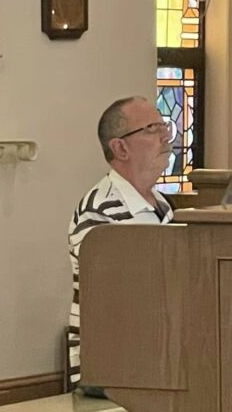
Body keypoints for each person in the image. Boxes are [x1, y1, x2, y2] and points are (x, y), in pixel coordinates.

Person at [67, 96, 174, 395]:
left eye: (164, 125)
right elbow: (120, 300)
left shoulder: (163, 205)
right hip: (110, 364)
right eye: (152, 129)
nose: (166, 135)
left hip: (156, 352)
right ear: (120, 148)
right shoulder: (98, 212)